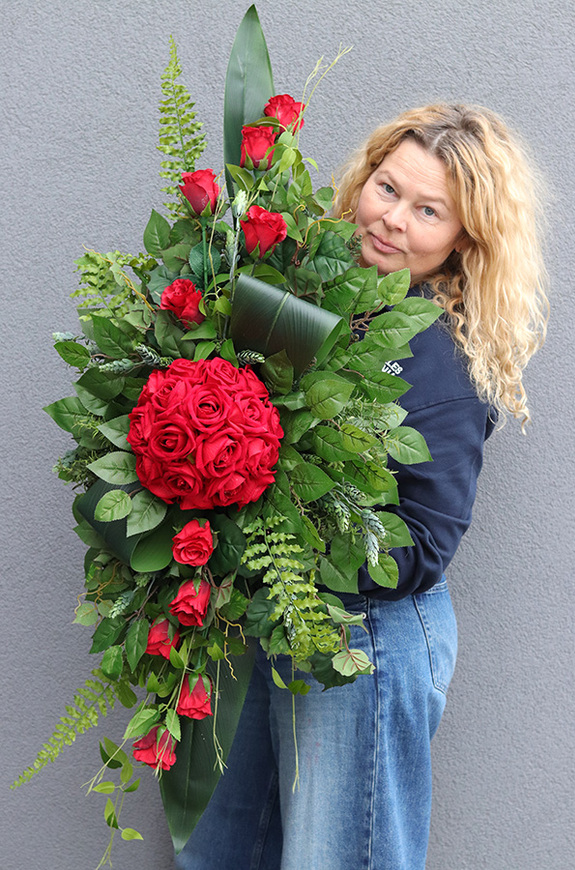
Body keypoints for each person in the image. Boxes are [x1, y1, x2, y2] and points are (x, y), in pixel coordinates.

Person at [176, 103, 548, 870]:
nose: (393, 219)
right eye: (387, 188)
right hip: (274, 610)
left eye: (428, 211)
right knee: (221, 850)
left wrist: (290, 552)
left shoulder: (442, 365)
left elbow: (423, 545)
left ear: (464, 237)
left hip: (363, 639)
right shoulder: (316, 293)